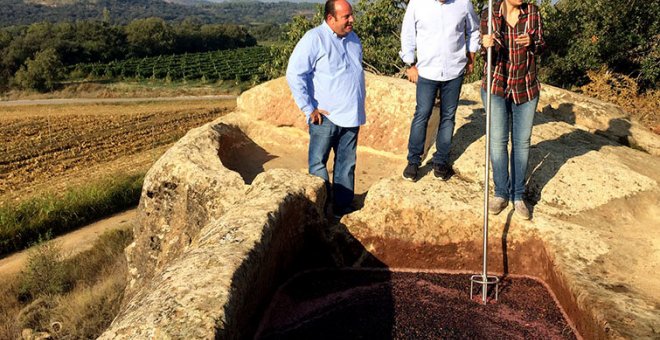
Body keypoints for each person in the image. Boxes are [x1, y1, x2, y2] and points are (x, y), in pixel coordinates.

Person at [286, 0, 365, 218]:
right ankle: (319, 210)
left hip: (351, 115)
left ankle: (342, 209)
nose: (352, 20)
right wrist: (308, 107)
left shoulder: (354, 39)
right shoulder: (314, 39)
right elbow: (294, 74)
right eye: (346, 17)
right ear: (330, 19)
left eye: (351, 15)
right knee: (318, 165)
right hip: (325, 118)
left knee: (346, 165)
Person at [400, 0, 480, 182]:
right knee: (422, 114)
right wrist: (410, 64)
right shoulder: (417, 4)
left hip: (454, 70)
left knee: (448, 116)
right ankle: (413, 161)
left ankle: (440, 161)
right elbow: (408, 34)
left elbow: (474, 30)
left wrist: (471, 56)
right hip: (427, 70)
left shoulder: (463, 3)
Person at [480, 0, 545, 219]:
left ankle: (518, 196)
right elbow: (483, 52)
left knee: (521, 143)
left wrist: (533, 41)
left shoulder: (533, 13)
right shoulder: (489, 14)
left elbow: (542, 45)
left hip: (526, 87)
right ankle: (501, 193)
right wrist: (485, 44)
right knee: (498, 141)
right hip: (496, 86)